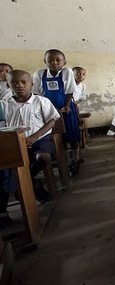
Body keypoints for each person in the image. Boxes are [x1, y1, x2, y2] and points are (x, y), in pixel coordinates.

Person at [0, 70, 60, 225]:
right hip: (14, 144)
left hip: (39, 140)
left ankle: (27, 178)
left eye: (23, 82)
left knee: (43, 157)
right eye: (14, 83)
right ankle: (5, 209)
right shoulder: (4, 104)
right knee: (5, 169)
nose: (19, 86)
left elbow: (52, 120)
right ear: (9, 85)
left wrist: (34, 137)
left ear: (31, 84)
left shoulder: (41, 101)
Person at [33, 49, 81, 176]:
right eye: (50, 60)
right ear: (45, 61)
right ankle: (64, 162)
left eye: (58, 60)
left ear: (64, 62)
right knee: (59, 138)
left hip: (66, 108)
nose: (54, 63)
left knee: (72, 136)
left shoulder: (67, 72)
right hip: (49, 111)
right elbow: (37, 94)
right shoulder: (39, 74)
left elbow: (70, 91)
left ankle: (75, 160)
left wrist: (66, 106)